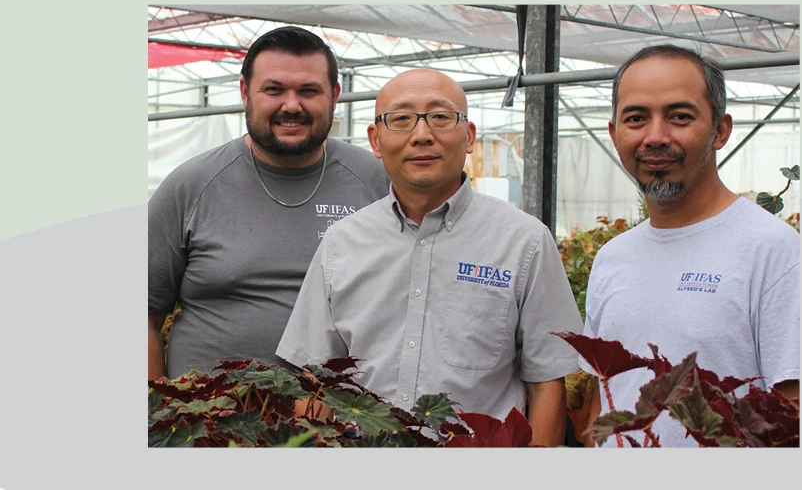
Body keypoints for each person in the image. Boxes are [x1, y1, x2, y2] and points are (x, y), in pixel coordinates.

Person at [276, 68, 583, 447]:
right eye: (401, 119)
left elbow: (548, 379)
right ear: (375, 140)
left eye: (440, 117)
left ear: (469, 136)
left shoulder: (524, 241)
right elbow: (315, 376)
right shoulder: (342, 242)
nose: (422, 135)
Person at [579, 45, 800, 447]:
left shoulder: (773, 250)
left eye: (680, 117)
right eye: (636, 119)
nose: (656, 137)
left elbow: (793, 416)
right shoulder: (613, 257)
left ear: (720, 130)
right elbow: (604, 398)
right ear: (614, 134)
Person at [148, 26, 389, 381]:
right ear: (245, 92)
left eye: (309, 91)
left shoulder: (377, 182)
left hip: (340, 426)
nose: (291, 106)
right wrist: (154, 415)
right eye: (274, 90)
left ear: (335, 95)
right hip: (205, 424)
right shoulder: (189, 186)